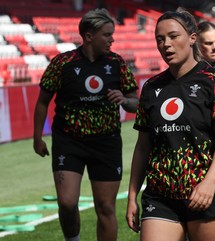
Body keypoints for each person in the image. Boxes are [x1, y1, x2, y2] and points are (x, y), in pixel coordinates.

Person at [125, 9, 215, 241]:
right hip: (161, 196)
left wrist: (209, 183)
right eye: (160, 39)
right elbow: (142, 146)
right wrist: (132, 196)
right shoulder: (151, 87)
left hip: (208, 194)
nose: (166, 44)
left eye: (173, 36)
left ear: (192, 38)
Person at [33, 8, 138, 241]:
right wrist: (37, 137)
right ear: (89, 36)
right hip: (69, 142)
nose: (112, 39)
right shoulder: (62, 63)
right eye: (107, 34)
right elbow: (42, 102)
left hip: (106, 142)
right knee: (67, 203)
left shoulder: (117, 63)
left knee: (106, 208)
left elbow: (136, 103)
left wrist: (125, 100)